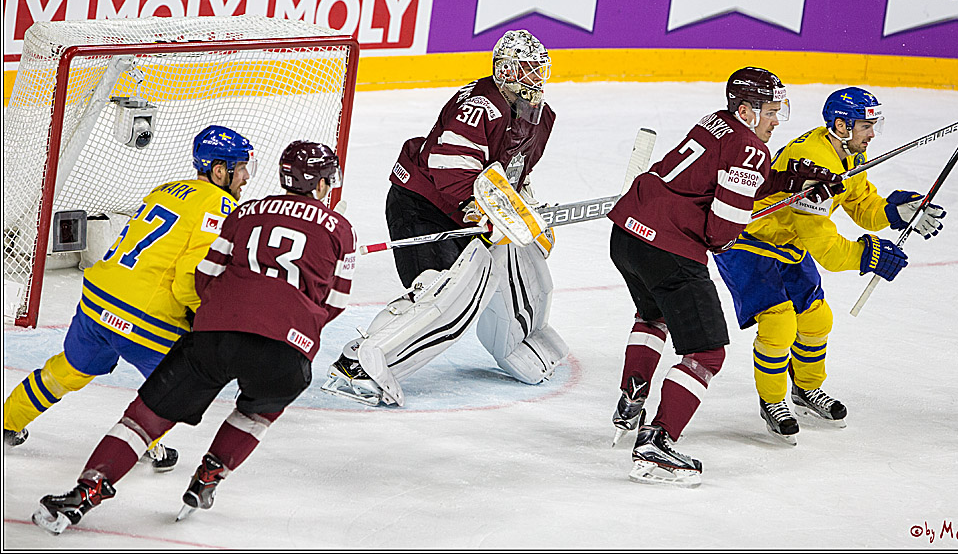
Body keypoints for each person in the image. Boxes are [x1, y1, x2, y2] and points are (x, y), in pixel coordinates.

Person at [31, 140, 357, 534]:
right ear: (322, 184)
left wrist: (227, 312)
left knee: (144, 419)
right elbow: (335, 304)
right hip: (286, 347)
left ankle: (86, 492)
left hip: (215, 334)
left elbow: (206, 275)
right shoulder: (341, 230)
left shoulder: (246, 211)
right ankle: (210, 473)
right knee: (259, 408)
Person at [605, 67, 843, 486]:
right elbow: (719, 235)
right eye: (771, 111)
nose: (776, 120)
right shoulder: (752, 148)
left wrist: (789, 180)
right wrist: (747, 211)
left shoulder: (714, 121)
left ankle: (632, 398)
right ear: (747, 111)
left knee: (653, 316)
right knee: (707, 352)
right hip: (669, 250)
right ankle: (657, 444)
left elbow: (730, 173)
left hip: (628, 234)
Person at [321, 28, 567, 407]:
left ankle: (521, 341)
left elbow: (515, 174)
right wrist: (483, 210)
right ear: (503, 70)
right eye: (526, 70)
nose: (535, 78)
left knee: (501, 273)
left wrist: (522, 212)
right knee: (438, 292)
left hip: (467, 214)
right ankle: (359, 362)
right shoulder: (480, 106)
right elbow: (449, 168)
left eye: (539, 70)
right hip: (421, 206)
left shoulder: (540, 117)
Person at [3, 125, 254, 473]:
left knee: (67, 370)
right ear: (219, 170)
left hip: (98, 298)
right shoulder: (221, 204)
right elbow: (187, 279)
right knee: (171, 390)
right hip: (145, 316)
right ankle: (145, 442)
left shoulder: (164, 189)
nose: (245, 177)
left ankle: (7, 420)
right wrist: (204, 318)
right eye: (241, 168)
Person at [713, 87, 946, 444]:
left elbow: (860, 201)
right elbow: (826, 250)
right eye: (866, 126)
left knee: (817, 318)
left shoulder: (847, 153)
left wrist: (894, 211)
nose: (872, 134)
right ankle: (772, 401)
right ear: (840, 125)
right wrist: (870, 256)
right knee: (779, 324)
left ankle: (805, 390)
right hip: (749, 241)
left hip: (788, 239)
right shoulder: (814, 161)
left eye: (874, 125)